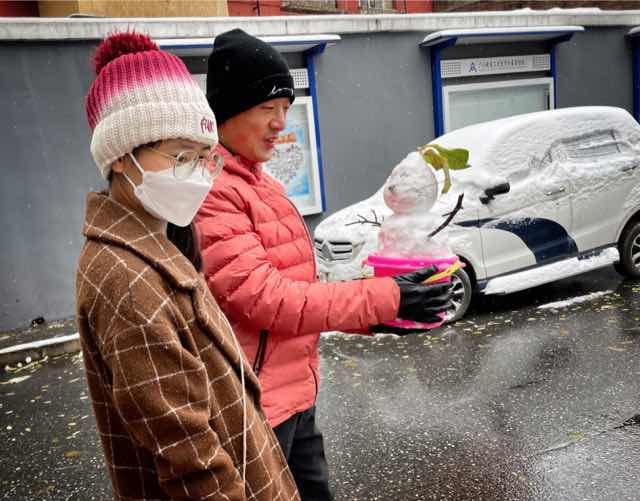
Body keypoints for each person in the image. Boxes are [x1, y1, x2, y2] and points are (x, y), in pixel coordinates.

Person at [197, 29, 452, 501]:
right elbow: (265, 299)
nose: (280, 123)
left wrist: (380, 317)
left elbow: (300, 288)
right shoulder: (215, 192)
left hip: (294, 396)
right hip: (255, 410)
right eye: (266, 109)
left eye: (285, 108)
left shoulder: (262, 184)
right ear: (228, 111)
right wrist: (384, 297)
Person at [76, 31, 300, 501]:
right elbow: (190, 458)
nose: (197, 174)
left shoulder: (157, 242)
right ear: (121, 158)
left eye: (204, 157)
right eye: (180, 156)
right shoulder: (127, 280)